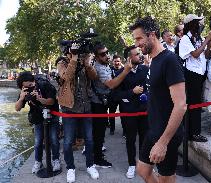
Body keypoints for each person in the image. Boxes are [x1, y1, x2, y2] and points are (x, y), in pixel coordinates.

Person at [129, 16, 187, 183]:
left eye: (139, 38)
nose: (137, 43)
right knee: (142, 169)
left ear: (152, 35)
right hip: (154, 128)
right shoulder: (154, 60)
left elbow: (181, 105)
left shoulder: (170, 60)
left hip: (167, 134)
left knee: (165, 179)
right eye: (135, 39)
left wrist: (163, 142)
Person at [57, 46, 99, 182]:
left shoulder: (84, 63)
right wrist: (73, 59)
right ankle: (70, 168)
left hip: (86, 107)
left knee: (89, 139)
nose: (78, 54)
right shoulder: (62, 63)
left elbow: (94, 77)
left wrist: (87, 64)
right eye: (74, 51)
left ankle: (90, 165)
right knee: (68, 141)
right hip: (69, 108)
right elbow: (67, 76)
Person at [91, 43, 131, 169]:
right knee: (98, 132)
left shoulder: (104, 64)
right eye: (103, 54)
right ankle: (97, 159)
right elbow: (111, 84)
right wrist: (125, 71)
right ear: (96, 57)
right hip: (98, 104)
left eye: (107, 52)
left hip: (103, 101)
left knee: (100, 132)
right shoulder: (99, 67)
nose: (107, 55)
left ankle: (97, 155)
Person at [113, 45, 149, 179]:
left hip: (145, 111)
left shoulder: (146, 69)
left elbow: (151, 88)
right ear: (129, 58)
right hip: (129, 113)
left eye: (140, 53)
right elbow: (115, 95)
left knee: (145, 138)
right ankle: (131, 165)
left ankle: (144, 164)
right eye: (136, 54)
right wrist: (131, 92)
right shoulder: (120, 74)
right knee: (131, 139)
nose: (140, 56)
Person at [15, 71, 61, 174]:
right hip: (38, 117)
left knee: (54, 139)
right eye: (27, 87)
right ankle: (38, 161)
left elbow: (52, 101)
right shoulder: (25, 90)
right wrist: (21, 98)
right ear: (22, 86)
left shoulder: (45, 84)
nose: (30, 88)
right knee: (38, 141)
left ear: (34, 81)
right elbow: (17, 108)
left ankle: (56, 160)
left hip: (52, 114)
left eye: (31, 85)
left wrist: (40, 99)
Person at [179, 14, 211, 142]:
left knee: (197, 103)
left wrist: (209, 43)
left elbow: (207, 54)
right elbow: (194, 54)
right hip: (191, 74)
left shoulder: (197, 38)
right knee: (194, 104)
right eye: (198, 23)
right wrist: (206, 41)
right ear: (192, 24)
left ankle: (191, 132)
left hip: (200, 73)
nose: (200, 25)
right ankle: (194, 133)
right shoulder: (185, 39)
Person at [108, 54, 124, 135]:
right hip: (112, 95)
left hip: (122, 95)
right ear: (112, 62)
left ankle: (125, 131)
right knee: (111, 113)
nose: (117, 63)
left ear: (120, 62)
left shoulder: (124, 70)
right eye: (115, 61)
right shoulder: (109, 70)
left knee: (124, 114)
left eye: (118, 61)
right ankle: (112, 129)